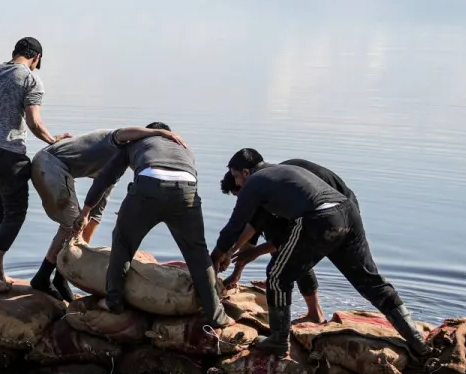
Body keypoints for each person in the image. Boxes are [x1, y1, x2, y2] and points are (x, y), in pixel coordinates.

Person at [211, 148, 427, 358]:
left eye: (235, 177)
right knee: (370, 282)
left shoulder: (255, 183)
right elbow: (255, 228)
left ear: (246, 173)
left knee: (277, 276)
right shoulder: (282, 173)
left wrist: (213, 261)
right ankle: (418, 341)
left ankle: (278, 341)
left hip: (320, 218)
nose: (236, 183)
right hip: (347, 212)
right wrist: (233, 255)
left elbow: (234, 226)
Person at [94, 123, 230, 331]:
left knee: (123, 243)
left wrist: (87, 210)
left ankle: (114, 302)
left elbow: (106, 177)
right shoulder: (182, 147)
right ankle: (217, 316)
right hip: (187, 191)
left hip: (149, 186)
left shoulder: (136, 143)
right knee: (197, 253)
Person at [28, 126, 186, 302]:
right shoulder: (122, 140)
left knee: (77, 224)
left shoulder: (119, 164)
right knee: (70, 225)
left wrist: (79, 252)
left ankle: (59, 276)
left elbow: (97, 210)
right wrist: (161, 133)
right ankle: (45, 277)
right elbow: (122, 132)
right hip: (49, 164)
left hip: (55, 168)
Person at [0, 37, 68, 293]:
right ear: (36, 57)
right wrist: (54, 139)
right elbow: (33, 123)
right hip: (8, 156)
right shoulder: (30, 79)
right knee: (15, 214)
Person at [218, 158, 359, 324]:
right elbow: (253, 232)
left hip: (335, 211)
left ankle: (313, 314)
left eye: (238, 195)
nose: (240, 201)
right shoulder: (268, 183)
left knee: (294, 258)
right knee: (284, 257)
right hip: (335, 210)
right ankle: (283, 280)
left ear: (244, 183)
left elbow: (285, 238)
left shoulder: (268, 192)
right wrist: (235, 269)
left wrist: (266, 261)